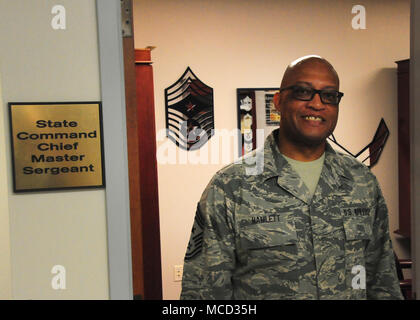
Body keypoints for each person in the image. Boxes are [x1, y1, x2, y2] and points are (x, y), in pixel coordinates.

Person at [180, 55, 403, 300]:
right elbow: (204, 293)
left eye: (329, 96)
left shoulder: (361, 182)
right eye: (303, 92)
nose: (317, 104)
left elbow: (383, 282)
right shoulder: (231, 186)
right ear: (278, 101)